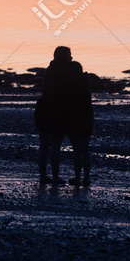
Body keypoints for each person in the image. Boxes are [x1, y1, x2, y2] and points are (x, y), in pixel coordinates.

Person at [35, 46, 94, 186]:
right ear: (64, 56)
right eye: (69, 54)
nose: (71, 57)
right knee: (80, 147)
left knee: (48, 145)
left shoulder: (50, 71)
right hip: (75, 112)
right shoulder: (76, 74)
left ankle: (49, 177)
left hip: (46, 109)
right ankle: (81, 178)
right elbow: (83, 96)